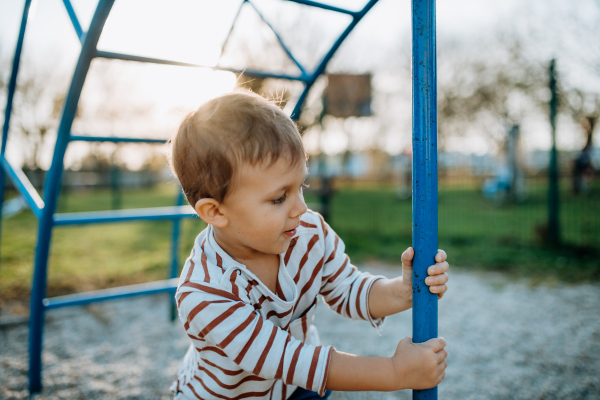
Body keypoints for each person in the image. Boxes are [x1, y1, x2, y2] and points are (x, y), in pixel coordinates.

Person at [168, 90, 449, 400]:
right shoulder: (205, 293)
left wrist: (401, 291)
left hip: (295, 388)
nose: (300, 207)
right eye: (278, 198)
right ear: (216, 212)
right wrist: (395, 372)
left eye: (300, 186)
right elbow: (291, 360)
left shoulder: (307, 232)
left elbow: (347, 289)